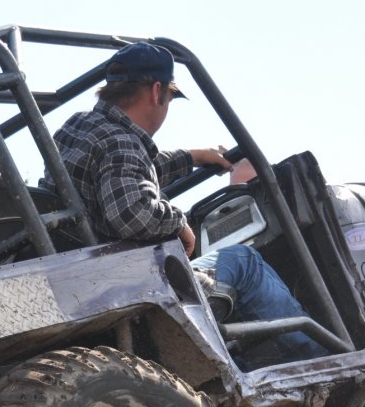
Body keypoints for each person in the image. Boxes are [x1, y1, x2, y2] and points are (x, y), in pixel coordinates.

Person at [44, 42, 326, 367]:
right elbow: (132, 214)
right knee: (243, 260)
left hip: (82, 271)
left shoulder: (79, 127)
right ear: (156, 91)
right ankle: (324, 364)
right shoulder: (122, 143)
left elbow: (121, 172)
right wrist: (179, 222)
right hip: (128, 283)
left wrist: (192, 157)